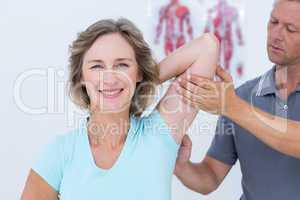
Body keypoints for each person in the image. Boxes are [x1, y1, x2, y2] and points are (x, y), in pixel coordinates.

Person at [20, 18, 219, 200]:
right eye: (97, 66)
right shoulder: (60, 151)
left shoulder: (160, 134)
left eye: (122, 65)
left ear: (138, 71)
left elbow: (206, 46)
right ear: (81, 77)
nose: (110, 77)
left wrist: (141, 83)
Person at [174, 0, 300, 199]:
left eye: (291, 29)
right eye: (273, 22)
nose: (276, 35)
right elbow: (210, 177)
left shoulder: (234, 103)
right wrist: (180, 165)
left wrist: (232, 106)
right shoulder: (242, 96)